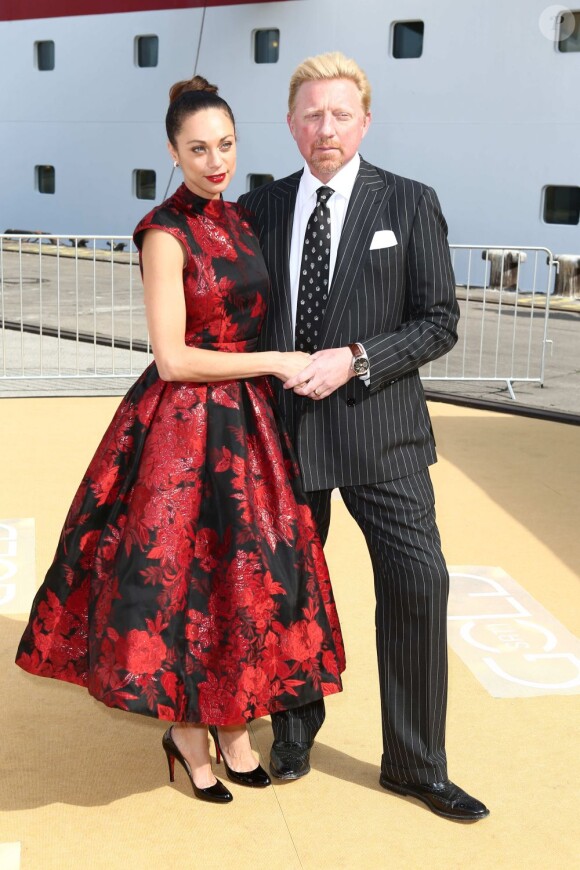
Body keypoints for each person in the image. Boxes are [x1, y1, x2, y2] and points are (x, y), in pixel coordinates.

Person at [15, 76, 345, 805]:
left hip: (249, 429)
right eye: (198, 149)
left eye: (226, 145)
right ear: (173, 151)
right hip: (182, 431)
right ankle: (188, 736)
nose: (215, 160)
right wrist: (274, 362)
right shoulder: (163, 232)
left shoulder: (240, 218)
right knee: (181, 588)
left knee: (243, 582)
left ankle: (233, 727)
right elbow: (173, 358)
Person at [239, 51, 489, 822]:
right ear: (290, 123)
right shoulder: (260, 210)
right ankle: (293, 728)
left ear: (365, 121)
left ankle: (415, 763)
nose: (325, 129)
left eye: (340, 114)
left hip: (384, 436)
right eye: (311, 114)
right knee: (289, 593)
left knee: (420, 582)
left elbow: (438, 321)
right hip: (286, 438)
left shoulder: (410, 202)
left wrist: (355, 360)